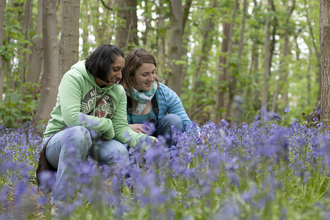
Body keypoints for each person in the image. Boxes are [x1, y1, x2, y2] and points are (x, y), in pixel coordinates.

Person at [40, 44, 156, 205]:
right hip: (58, 145)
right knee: (79, 133)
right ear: (101, 65)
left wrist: (142, 140)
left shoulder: (118, 91)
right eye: (116, 69)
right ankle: (61, 203)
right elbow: (72, 119)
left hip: (94, 145)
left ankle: (100, 199)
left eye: (121, 70)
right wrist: (106, 125)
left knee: (119, 151)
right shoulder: (74, 78)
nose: (120, 75)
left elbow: (120, 129)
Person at [121, 48, 191, 147]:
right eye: (145, 74)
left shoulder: (165, 93)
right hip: (130, 146)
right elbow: (109, 127)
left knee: (174, 120)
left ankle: (167, 159)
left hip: (159, 146)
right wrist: (126, 128)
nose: (151, 78)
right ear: (131, 75)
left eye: (153, 72)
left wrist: (201, 134)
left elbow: (186, 123)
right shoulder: (119, 94)